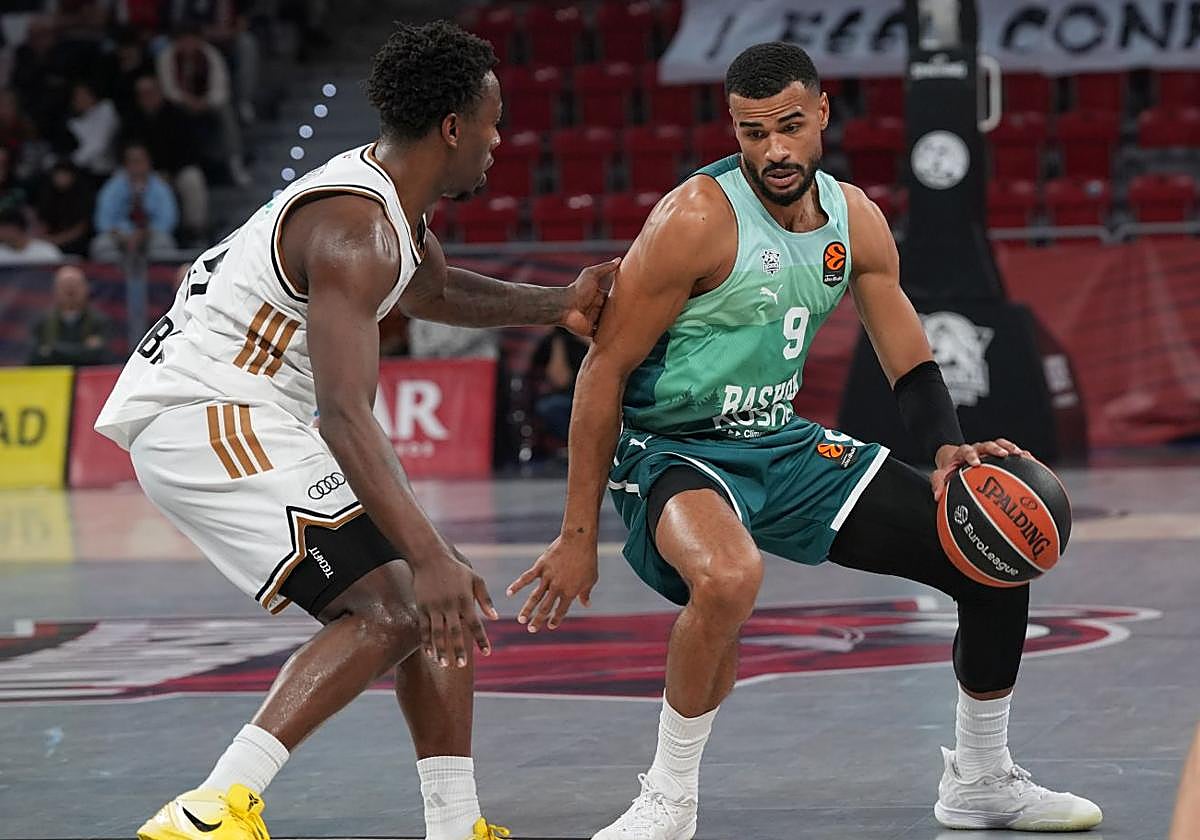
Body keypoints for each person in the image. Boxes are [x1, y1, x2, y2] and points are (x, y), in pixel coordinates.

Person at [510, 42, 1103, 838]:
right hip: (674, 449)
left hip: (782, 445)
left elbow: (906, 351)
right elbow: (601, 372)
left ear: (823, 112)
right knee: (728, 577)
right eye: (753, 133)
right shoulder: (694, 219)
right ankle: (667, 801)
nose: (774, 151)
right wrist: (577, 536)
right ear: (735, 128)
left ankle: (982, 780)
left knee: (991, 551)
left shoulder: (854, 218)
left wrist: (947, 448)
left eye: (789, 127)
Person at [95, 21, 615, 840]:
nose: (499, 138)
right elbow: (343, 413)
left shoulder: (390, 214)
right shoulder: (358, 226)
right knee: (395, 606)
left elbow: (434, 294)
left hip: (242, 410)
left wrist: (560, 304)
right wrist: (431, 553)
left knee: (428, 601)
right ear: (453, 127)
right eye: (494, 118)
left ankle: (453, 825)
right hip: (207, 412)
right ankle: (212, 810)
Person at [91, 142, 179, 262]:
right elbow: (102, 221)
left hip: (150, 235)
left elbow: (168, 220)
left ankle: (158, 279)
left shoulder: (161, 187)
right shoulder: (112, 187)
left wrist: (144, 233)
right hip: (119, 236)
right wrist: (122, 234)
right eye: (132, 161)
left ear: (148, 162)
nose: (136, 165)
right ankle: (113, 279)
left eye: (140, 160)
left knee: (163, 243)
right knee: (102, 245)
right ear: (125, 164)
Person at [28, 264, 110, 366]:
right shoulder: (42, 322)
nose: (70, 292)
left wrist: (53, 350)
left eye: (75, 286)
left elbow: (105, 357)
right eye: (65, 287)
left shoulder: (99, 321)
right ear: (55, 290)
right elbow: (35, 357)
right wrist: (84, 350)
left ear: (86, 288)